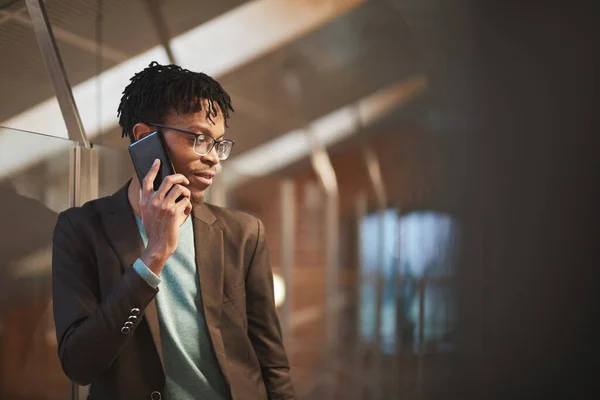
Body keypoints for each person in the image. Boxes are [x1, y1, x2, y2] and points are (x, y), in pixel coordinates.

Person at [52, 62, 295, 400]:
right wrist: (153, 257)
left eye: (218, 144)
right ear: (144, 137)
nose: (214, 159)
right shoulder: (81, 229)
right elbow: (79, 364)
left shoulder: (244, 233)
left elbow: (273, 363)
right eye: (198, 139)